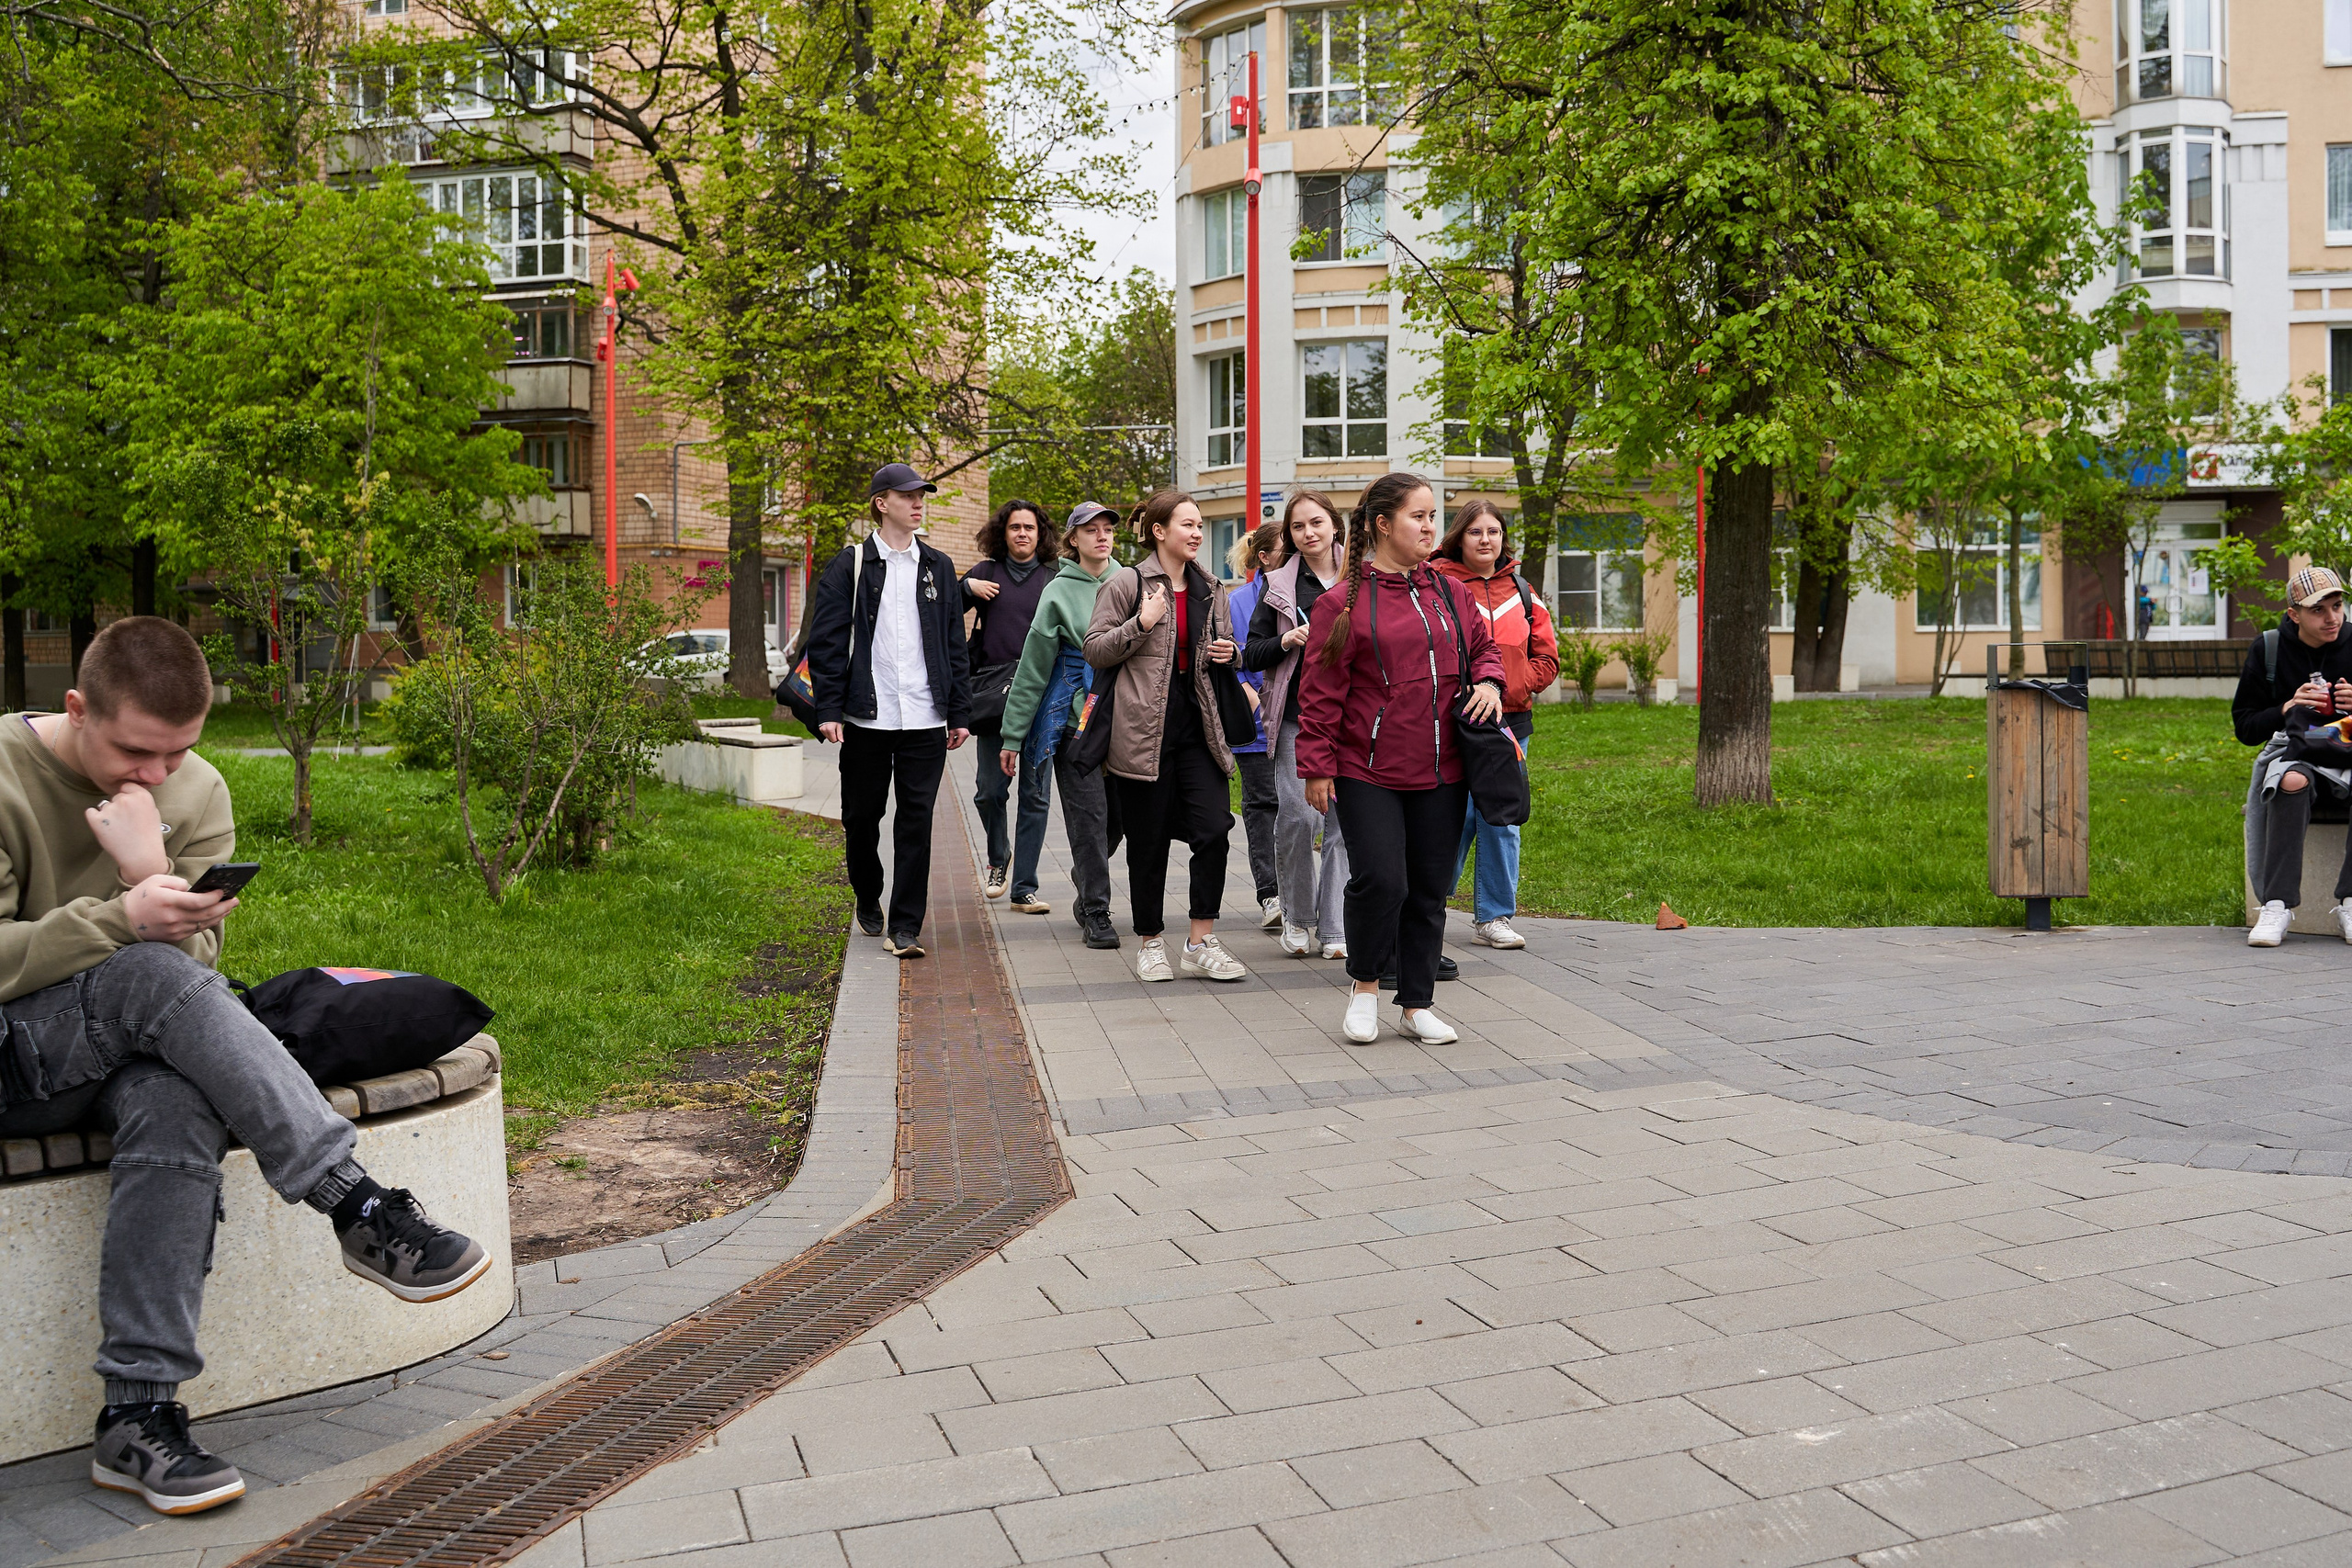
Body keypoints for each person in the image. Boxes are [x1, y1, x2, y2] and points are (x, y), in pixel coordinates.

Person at [0, 618, 488, 1517]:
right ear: (77, 709)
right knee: (145, 973)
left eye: (177, 752)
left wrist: (149, 869)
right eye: (136, 752)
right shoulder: (2, 773)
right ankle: (352, 1201)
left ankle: (136, 1415)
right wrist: (125, 913)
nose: (157, 776)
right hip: (9, 1065)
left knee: (175, 1098)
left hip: (109, 1056)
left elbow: (195, 984)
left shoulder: (197, 792)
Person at [1296, 472, 1506, 1045]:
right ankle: (1365, 988)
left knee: (1429, 887)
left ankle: (1417, 1004)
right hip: (1368, 770)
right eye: (1419, 516)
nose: (1431, 527)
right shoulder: (1341, 604)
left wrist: (1490, 682)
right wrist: (1316, 764)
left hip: (1445, 769)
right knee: (1382, 881)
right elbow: (1319, 693)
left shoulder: (1449, 591)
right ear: (1383, 525)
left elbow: (1484, 647)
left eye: (1433, 516)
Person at [1082, 490, 1250, 984]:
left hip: (1199, 726)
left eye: (1199, 525)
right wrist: (1142, 622)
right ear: (1159, 531)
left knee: (1214, 829)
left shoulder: (1211, 587)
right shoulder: (1127, 583)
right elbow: (1095, 650)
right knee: (1148, 841)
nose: (1197, 533)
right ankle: (1151, 942)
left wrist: (1231, 652)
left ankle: (1200, 941)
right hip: (1141, 730)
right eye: (1188, 525)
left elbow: (1227, 648)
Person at [807, 462, 974, 959]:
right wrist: (829, 709)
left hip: (925, 716)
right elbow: (826, 643)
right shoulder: (851, 564)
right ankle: (867, 891)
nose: (919, 503)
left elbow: (954, 643)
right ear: (882, 503)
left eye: (922, 495)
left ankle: (905, 926)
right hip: (867, 716)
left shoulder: (939, 566)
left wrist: (959, 712)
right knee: (862, 818)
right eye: (908, 496)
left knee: (916, 822)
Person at [1435, 499, 1559, 952]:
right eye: (1475, 531)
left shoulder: (1523, 590)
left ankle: (1495, 916)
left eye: (1493, 531)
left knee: (1501, 818)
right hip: (1453, 720)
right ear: (1459, 537)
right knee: (1452, 816)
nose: (1485, 540)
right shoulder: (1437, 583)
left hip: (1510, 722)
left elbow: (1547, 657)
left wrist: (1513, 686)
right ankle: (1428, 904)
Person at [998, 502, 1123, 949]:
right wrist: (1013, 736)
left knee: (1116, 823)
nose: (1102, 536)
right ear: (1073, 539)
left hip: (1126, 722)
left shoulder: (1132, 582)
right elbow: (1033, 670)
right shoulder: (1056, 592)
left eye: (1108, 529)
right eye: (1091, 530)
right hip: (1076, 723)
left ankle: (1086, 874)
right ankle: (1096, 911)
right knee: (1088, 821)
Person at [1243, 491, 1351, 961]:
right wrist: (1286, 639)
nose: (1309, 533)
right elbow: (1252, 653)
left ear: (1335, 525)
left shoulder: (1361, 575)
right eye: (1298, 526)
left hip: (1353, 719)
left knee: (1343, 824)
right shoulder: (1278, 584)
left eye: (1317, 522)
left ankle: (1335, 925)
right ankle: (1297, 915)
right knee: (1298, 816)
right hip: (1296, 717)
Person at [2240, 566, 2352, 945]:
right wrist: (2286, 707)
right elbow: (2245, 727)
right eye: (2318, 610)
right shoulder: (2269, 648)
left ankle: (2351, 902)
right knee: (2290, 780)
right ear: (2294, 614)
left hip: (2349, 752)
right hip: (2298, 751)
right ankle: (2276, 905)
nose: (2332, 618)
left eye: (2336, 606)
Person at [963, 500, 1059, 911]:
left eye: (1029, 527)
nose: (1022, 533)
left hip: (1042, 698)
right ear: (1003, 533)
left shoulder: (1054, 578)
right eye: (1015, 527)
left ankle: (1023, 888)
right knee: (988, 792)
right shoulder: (986, 573)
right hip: (994, 698)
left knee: (1035, 796)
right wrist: (966, 589)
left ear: (1041, 534)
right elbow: (940, 609)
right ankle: (998, 856)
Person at [1224, 521, 1285, 934]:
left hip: (1299, 721)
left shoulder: (1305, 593)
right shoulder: (1238, 602)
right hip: (1258, 724)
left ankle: (1301, 891)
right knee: (1263, 805)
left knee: (1299, 811)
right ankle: (1271, 894)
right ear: (1263, 558)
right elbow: (1228, 657)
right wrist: (1249, 694)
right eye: (1285, 547)